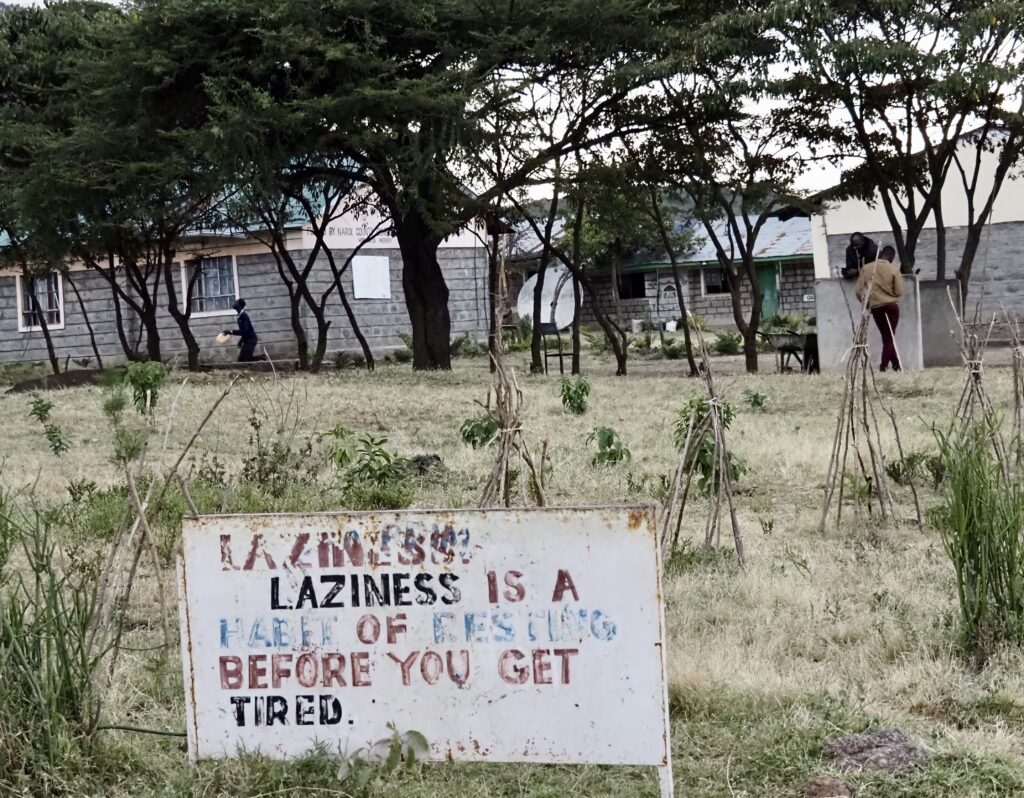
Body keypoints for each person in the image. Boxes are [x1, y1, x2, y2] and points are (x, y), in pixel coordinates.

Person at [855, 246, 903, 372]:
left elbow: (858, 291)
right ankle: (884, 366)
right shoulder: (893, 269)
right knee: (889, 337)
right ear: (892, 258)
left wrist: (866, 302)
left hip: (876, 307)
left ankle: (896, 365)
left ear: (881, 253)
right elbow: (899, 291)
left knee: (886, 336)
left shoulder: (866, 268)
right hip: (891, 306)